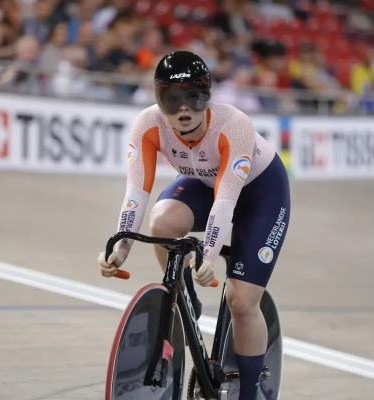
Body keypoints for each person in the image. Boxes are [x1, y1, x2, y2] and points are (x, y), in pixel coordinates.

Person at [97, 51, 291, 400]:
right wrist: (120, 248)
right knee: (162, 223)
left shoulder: (234, 125)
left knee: (241, 301)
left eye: (194, 97)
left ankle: (249, 395)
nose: (183, 109)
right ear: (158, 98)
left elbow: (225, 203)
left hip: (261, 193)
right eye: (172, 99)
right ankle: (188, 300)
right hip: (204, 184)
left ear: (208, 96)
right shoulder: (147, 124)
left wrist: (209, 257)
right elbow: (136, 193)